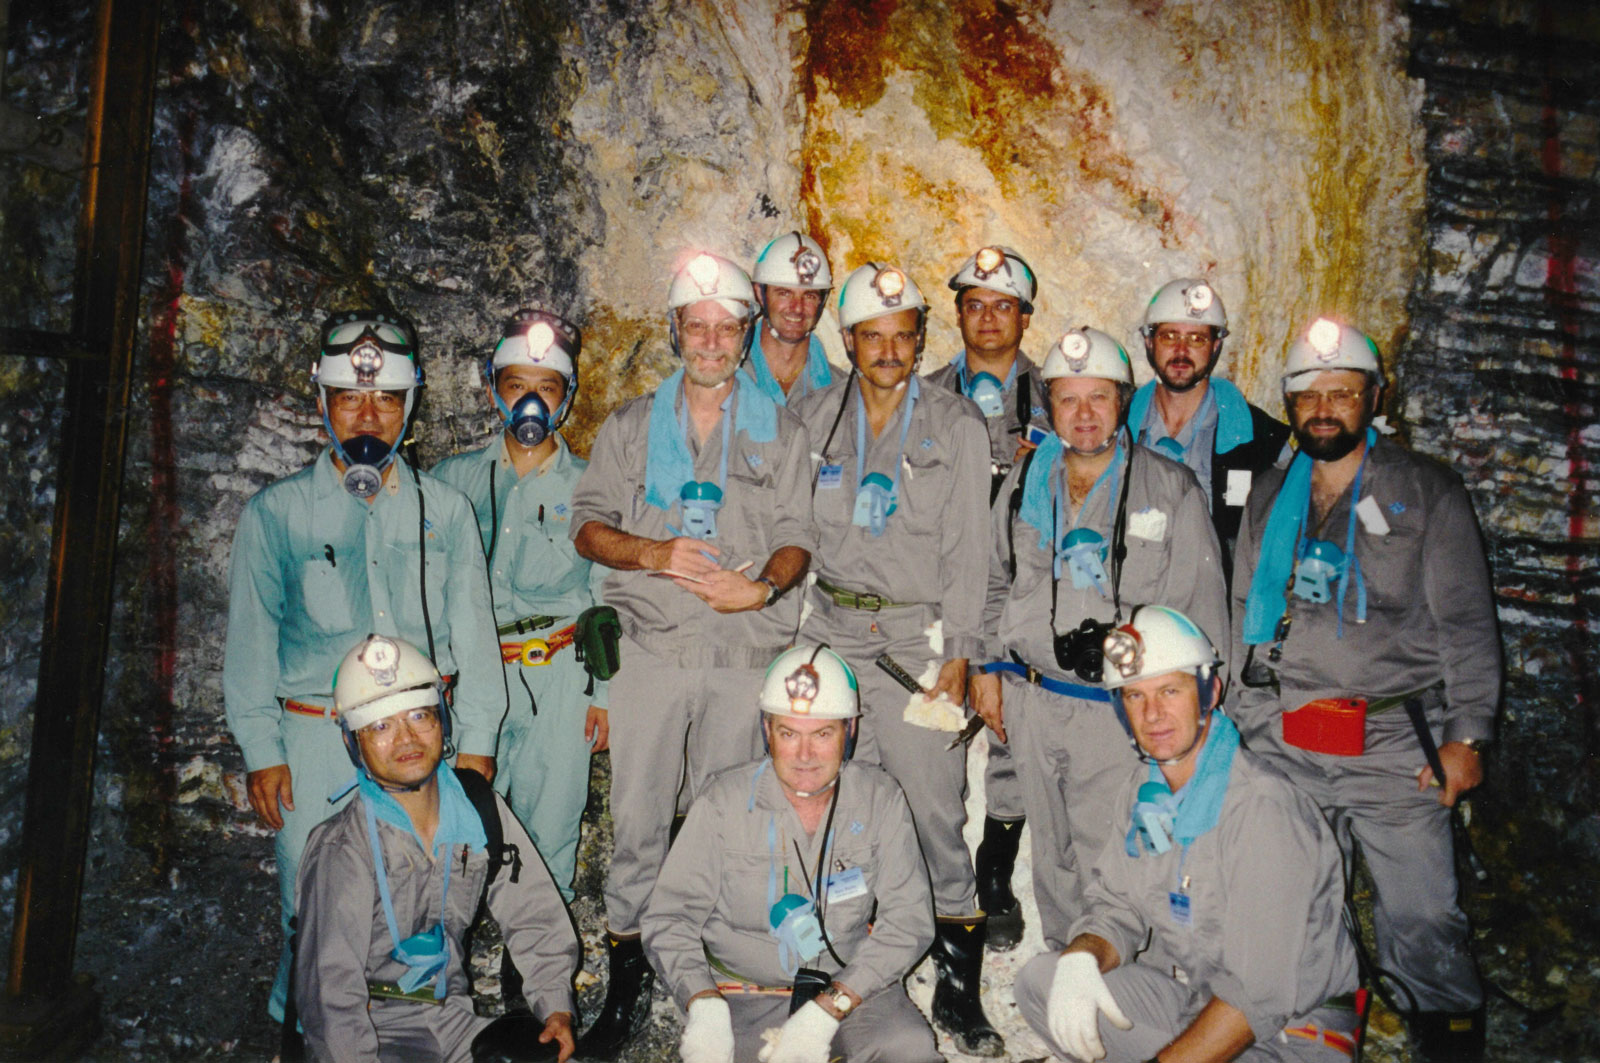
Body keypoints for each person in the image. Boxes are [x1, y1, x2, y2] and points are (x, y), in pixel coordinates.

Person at [567, 252, 816, 1058]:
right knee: (637, 818)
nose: (711, 340)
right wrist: (653, 553)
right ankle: (629, 973)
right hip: (653, 650)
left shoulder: (782, 429)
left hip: (742, 654)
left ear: (746, 336)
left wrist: (766, 592)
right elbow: (589, 524)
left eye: (727, 327)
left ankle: (710, 973)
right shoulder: (632, 426)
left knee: (727, 819)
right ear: (675, 330)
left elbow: (797, 538)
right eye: (696, 324)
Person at [1230, 318, 1498, 1063]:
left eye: (1342, 393)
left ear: (1372, 397)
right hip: (1288, 738)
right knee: (1297, 901)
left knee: (1421, 913)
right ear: (1289, 404)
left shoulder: (1426, 493)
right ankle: (1320, 1031)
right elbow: (1241, 619)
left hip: (1393, 743)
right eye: (1309, 394)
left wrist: (1466, 737)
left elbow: (1470, 625)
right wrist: (1245, 725)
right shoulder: (1268, 495)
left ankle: (1445, 1035)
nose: (1324, 407)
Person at [224, 310, 503, 1023]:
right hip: (317, 743)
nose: (367, 416)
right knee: (310, 914)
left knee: (419, 903)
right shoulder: (277, 514)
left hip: (418, 739)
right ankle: (304, 1032)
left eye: (385, 399)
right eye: (350, 397)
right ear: (323, 402)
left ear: (409, 406)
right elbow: (251, 646)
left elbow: (474, 634)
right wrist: (262, 750)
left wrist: (476, 751)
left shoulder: (446, 509)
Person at [791, 262, 1003, 1056]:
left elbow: (970, 556)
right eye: (871, 337)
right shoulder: (810, 419)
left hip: (918, 644)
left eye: (902, 335)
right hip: (835, 629)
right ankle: (839, 967)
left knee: (934, 813)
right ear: (846, 341)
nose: (888, 350)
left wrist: (963, 655)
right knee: (835, 800)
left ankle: (958, 984)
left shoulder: (955, 425)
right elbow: (790, 534)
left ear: (921, 341)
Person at [972, 326, 1227, 953]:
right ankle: (1069, 977)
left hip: (1118, 712)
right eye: (1067, 399)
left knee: (1111, 856)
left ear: (1122, 401)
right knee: (1053, 858)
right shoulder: (1024, 483)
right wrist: (984, 668)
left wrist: (1192, 718)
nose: (1083, 415)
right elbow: (990, 583)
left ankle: (1123, 986)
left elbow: (1203, 616)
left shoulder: (1170, 489)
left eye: (1099, 399)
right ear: (1049, 405)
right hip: (1032, 700)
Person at [1014, 606, 1361, 1062]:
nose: (1153, 713)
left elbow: (1256, 998)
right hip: (1203, 1006)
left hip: (1292, 1037)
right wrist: (1084, 956)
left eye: (1170, 690)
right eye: (1134, 697)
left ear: (1209, 691)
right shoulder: (1146, 793)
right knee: (1044, 982)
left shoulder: (1262, 807)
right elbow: (1115, 907)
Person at [641, 645, 941, 1063]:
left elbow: (908, 920)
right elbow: (669, 919)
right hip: (742, 996)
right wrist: (703, 1003)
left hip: (849, 991)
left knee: (907, 1049)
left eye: (822, 734)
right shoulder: (722, 802)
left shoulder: (880, 799)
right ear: (767, 730)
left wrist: (830, 1007)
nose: (804, 755)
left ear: (850, 731)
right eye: (789, 733)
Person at [296, 635, 578, 1063]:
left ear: (443, 719)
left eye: (418, 716)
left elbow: (533, 913)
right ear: (353, 743)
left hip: (452, 1018)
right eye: (380, 726)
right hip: (373, 1030)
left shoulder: (480, 810)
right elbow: (330, 998)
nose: (406, 739)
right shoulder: (341, 849)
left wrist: (556, 1006)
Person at [432, 308, 608, 905]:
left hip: (561, 673)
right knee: (458, 816)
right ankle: (450, 946)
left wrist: (607, 696)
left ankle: (532, 973)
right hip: (473, 676)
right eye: (516, 386)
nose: (530, 402)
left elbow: (611, 595)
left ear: (565, 399)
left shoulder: (594, 487)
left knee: (552, 822)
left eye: (546, 388)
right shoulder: (448, 481)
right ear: (492, 390)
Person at [924, 245, 1050, 950]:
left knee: (1013, 734)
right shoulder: (929, 394)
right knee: (934, 735)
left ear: (1024, 317)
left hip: (1020, 590)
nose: (988, 318)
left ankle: (994, 870)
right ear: (959, 314)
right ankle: (935, 878)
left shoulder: (1058, 398)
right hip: (942, 591)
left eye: (1003, 305)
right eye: (974, 304)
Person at [1127, 278, 1291, 570]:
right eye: (1169, 336)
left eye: (1197, 339)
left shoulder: (1263, 442)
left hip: (1214, 604)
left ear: (1216, 346)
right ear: (1149, 341)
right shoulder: (1115, 428)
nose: (1181, 350)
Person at [748, 231, 836, 405]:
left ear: (821, 301)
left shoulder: (841, 393)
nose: (797, 307)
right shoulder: (729, 379)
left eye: (809, 296)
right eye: (784, 293)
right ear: (760, 293)